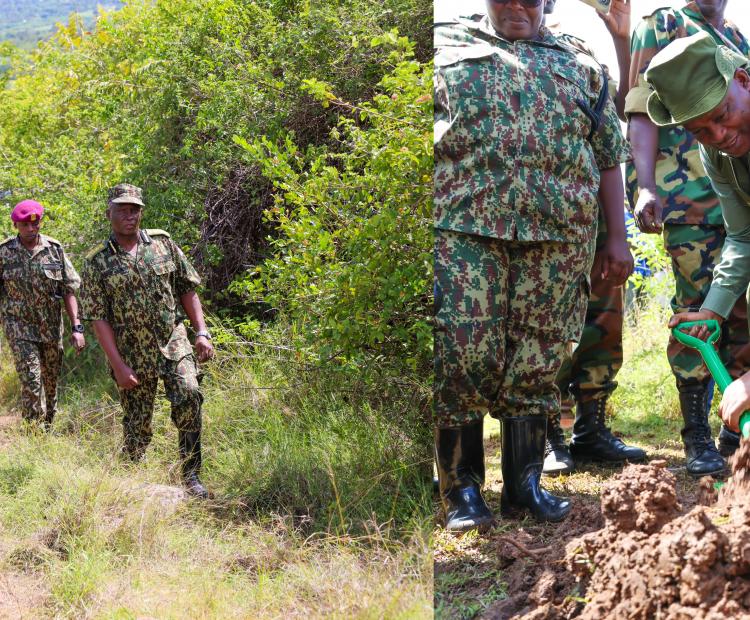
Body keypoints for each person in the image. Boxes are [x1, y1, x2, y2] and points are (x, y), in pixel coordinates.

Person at [433, 0, 631, 531]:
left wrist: (618, 237)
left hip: (559, 234)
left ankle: (524, 486)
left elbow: (609, 153)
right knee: (462, 352)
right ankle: (463, 489)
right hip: (464, 226)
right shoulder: (443, 45)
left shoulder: (582, 60)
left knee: (539, 359)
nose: (516, 6)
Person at [626, 0, 750, 475]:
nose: (718, 134)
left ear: (742, 80)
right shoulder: (719, 153)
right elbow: (742, 235)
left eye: (722, 115)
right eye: (700, 130)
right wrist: (712, 310)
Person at [544, 0, 646, 475]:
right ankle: (548, 437)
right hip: (543, 223)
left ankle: (592, 430)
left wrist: (617, 236)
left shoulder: (582, 50)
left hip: (595, 217)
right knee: (545, 329)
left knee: (603, 324)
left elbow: (617, 123)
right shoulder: (497, 44)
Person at [80, 183, 215, 498]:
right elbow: (98, 317)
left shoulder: (162, 244)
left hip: (173, 341)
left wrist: (202, 332)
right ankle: (127, 479)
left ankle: (192, 476)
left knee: (190, 395)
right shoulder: (97, 261)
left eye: (135, 210)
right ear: (108, 213)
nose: (130, 216)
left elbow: (186, 289)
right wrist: (118, 364)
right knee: (138, 427)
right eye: (122, 210)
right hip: (131, 354)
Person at [0, 200, 85, 429]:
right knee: (31, 379)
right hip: (19, 329)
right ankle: (32, 430)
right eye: (24, 225)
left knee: (50, 379)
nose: (30, 229)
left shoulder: (54, 249)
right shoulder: (4, 252)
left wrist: (77, 328)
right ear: (16, 225)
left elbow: (68, 289)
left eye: (34, 223)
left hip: (50, 328)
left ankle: (48, 424)